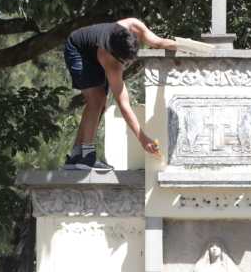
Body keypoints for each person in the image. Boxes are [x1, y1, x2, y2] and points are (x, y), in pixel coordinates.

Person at [63, 18, 177, 171]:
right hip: (78, 49)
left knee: (100, 103)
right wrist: (142, 139)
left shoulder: (133, 24)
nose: (127, 64)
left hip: (93, 49)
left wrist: (189, 46)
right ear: (116, 56)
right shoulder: (110, 59)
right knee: (96, 101)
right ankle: (86, 157)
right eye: (125, 61)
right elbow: (123, 104)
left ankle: (77, 155)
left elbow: (157, 42)